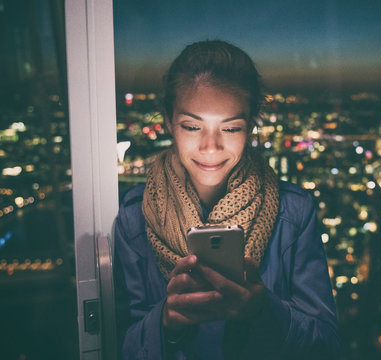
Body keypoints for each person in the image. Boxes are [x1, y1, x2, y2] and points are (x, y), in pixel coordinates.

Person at [114, 40, 339, 360]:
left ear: (250, 127)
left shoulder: (293, 212)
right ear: (169, 122)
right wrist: (166, 324)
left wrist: (263, 311)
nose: (210, 146)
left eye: (230, 128)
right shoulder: (135, 217)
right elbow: (120, 344)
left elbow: (327, 345)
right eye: (192, 126)